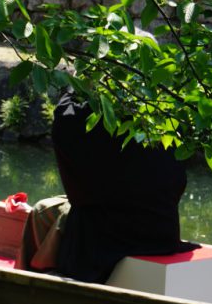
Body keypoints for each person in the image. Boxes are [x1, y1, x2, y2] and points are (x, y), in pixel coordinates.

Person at [43, 90, 199, 282]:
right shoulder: (161, 118)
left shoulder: (90, 124)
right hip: (162, 236)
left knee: (42, 211)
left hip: (107, 242)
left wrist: (73, 88)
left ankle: (31, 284)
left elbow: (64, 117)